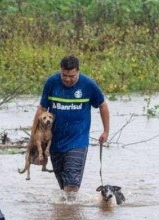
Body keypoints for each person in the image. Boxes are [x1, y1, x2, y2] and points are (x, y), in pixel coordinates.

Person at [33, 55, 110, 197]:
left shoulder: (88, 85)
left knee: (72, 184)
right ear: (60, 71)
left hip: (78, 141)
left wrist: (106, 131)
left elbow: (102, 105)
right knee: (63, 187)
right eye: (64, 75)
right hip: (55, 141)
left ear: (78, 71)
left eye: (72, 76)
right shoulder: (52, 82)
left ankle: (72, 215)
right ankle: (66, 216)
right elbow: (42, 109)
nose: (68, 79)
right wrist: (34, 137)